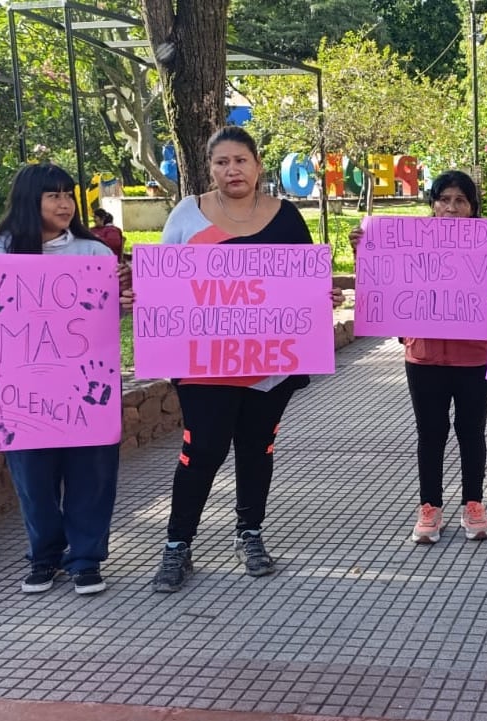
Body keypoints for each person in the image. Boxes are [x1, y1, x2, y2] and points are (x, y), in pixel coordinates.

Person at [126, 126, 343, 593]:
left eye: (240, 160)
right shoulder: (188, 215)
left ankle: (250, 534)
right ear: (210, 168)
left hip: (269, 366)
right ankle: (177, 545)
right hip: (204, 365)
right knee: (202, 450)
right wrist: (141, 295)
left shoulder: (286, 218)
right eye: (222, 162)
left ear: (258, 165)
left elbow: (307, 284)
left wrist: (321, 297)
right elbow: (163, 283)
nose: (232, 170)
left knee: (257, 448)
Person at [0, 163, 122, 596]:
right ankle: (45, 556)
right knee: (33, 480)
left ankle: (85, 559)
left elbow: (108, 320)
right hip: (19, 392)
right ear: (31, 200)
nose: (65, 204)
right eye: (54, 195)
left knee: (92, 475)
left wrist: (124, 299)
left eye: (69, 194)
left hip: (84, 389)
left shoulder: (93, 253)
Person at [349, 171, 487, 544]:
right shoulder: (410, 244)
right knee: (430, 434)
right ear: (432, 205)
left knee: (471, 432)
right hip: (424, 356)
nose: (451, 208)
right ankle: (429, 507)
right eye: (444, 199)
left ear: (472, 207)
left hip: (476, 356)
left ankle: (473, 504)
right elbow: (383, 281)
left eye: (460, 200)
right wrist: (363, 250)